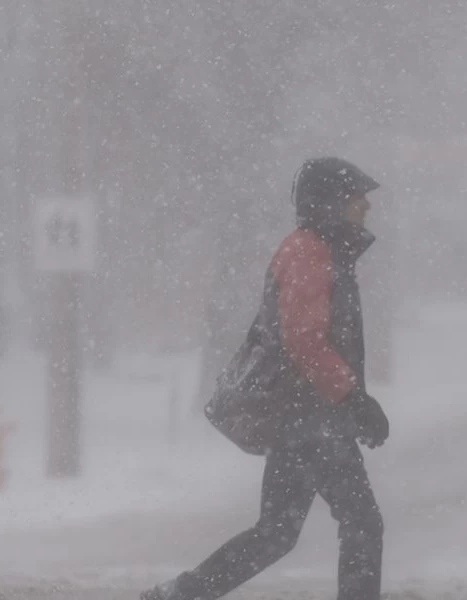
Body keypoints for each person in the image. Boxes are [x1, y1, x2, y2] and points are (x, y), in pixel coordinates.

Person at [144, 157, 391, 600]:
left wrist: (350, 401)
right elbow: (303, 341)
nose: (366, 209)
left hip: (305, 416)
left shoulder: (318, 250)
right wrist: (352, 398)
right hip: (313, 417)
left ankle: (179, 594)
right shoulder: (309, 253)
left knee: (276, 532)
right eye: (358, 200)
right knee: (361, 522)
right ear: (330, 203)